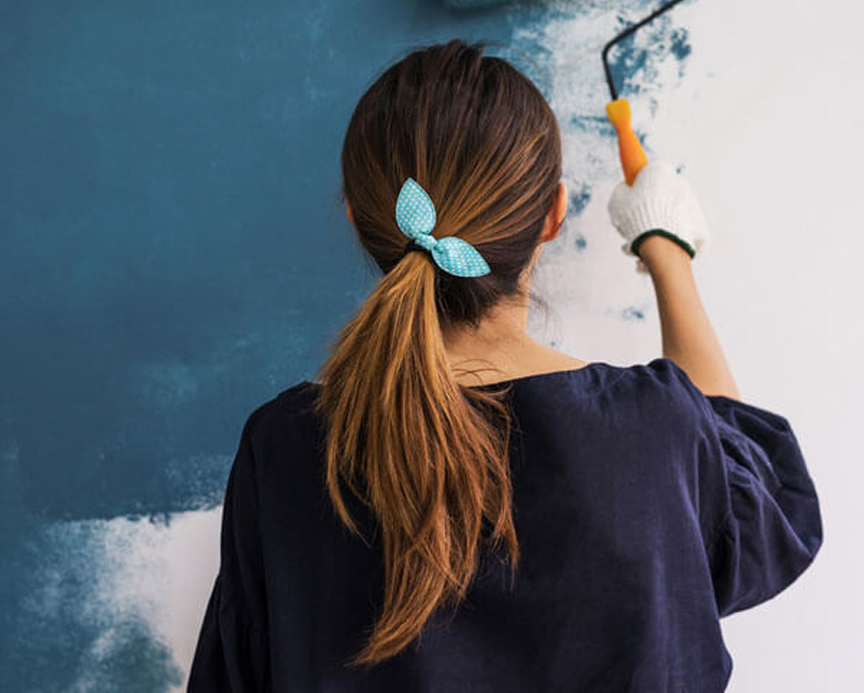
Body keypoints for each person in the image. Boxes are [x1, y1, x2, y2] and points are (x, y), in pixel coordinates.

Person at [187, 39, 822, 692]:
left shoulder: (287, 449)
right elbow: (761, 510)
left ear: (357, 218)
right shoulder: (650, 431)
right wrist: (668, 249)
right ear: (553, 214)